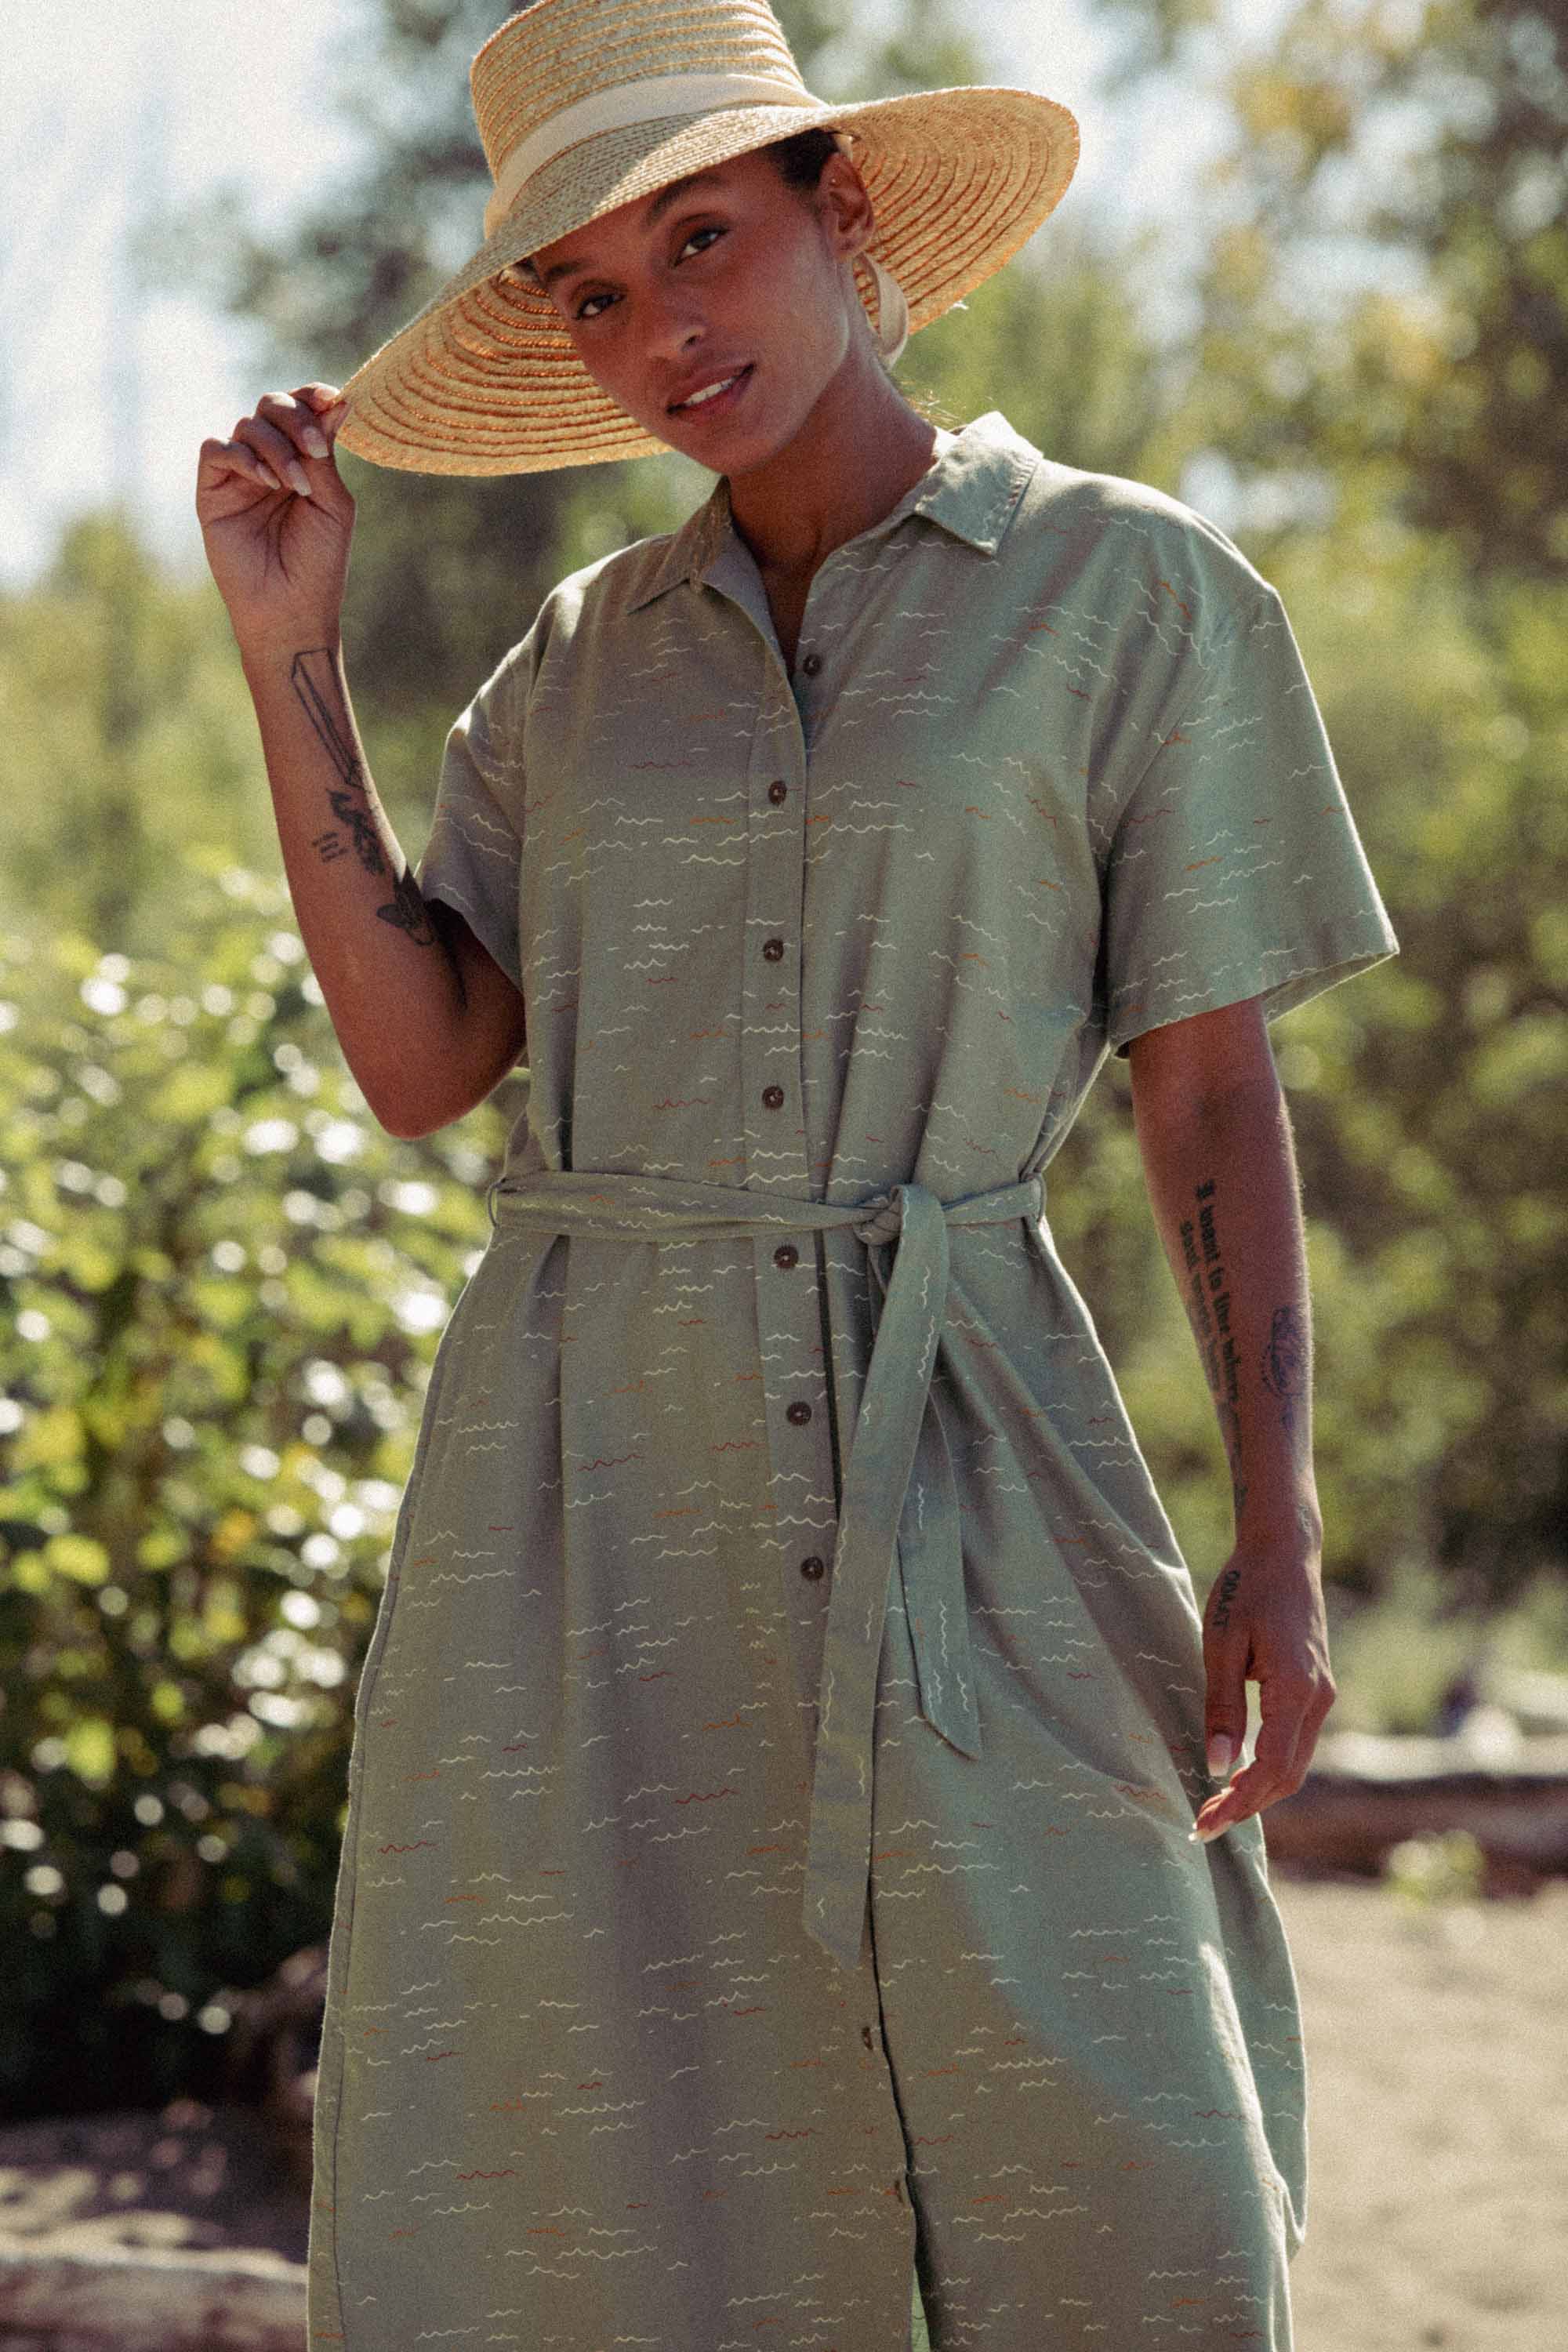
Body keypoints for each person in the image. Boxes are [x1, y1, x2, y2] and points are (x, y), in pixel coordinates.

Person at [195, 2, 1399, 2347]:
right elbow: (428, 1066)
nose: (663, 332)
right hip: (590, 1478)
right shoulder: (570, 672)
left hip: (982, 1446)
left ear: (847, 216)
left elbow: (1209, 1089)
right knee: (613, 2135)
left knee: (1119, 2118)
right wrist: (291, 663)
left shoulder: (1131, 598)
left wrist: (1281, 1527)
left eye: (705, 241)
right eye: (598, 296)